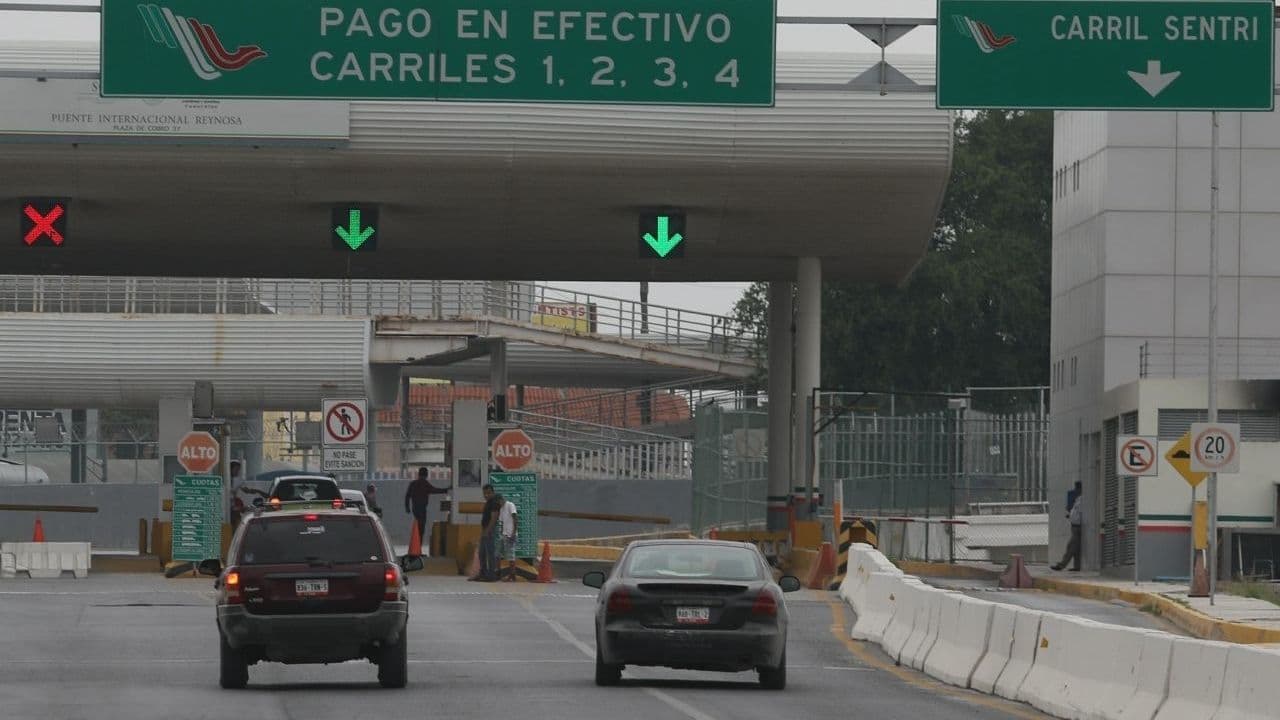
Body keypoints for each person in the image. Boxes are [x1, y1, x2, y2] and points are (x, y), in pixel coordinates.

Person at [403, 467, 449, 551]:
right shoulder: (425, 484)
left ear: (419, 474)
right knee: (421, 528)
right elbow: (435, 490)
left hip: (415, 509)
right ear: (426, 475)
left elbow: (407, 496)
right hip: (422, 509)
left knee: (418, 526)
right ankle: (418, 545)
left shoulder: (413, 484)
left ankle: (417, 544)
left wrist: (407, 508)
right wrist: (446, 490)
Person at [472, 484, 503, 582]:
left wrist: (487, 531)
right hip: (485, 529)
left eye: (488, 493)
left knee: (490, 553)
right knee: (482, 553)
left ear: (493, 492)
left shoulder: (494, 503)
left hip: (489, 530)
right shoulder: (488, 502)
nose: (486, 495)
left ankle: (491, 575)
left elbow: (494, 518)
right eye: (484, 493)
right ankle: (483, 573)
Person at [1053, 481, 1084, 571]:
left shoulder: (1082, 499)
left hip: (1078, 527)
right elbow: (1075, 512)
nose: (1076, 490)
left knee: (1071, 546)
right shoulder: (1078, 499)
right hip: (1074, 525)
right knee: (1076, 548)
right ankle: (1077, 566)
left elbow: (1081, 513)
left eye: (1078, 488)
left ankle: (1062, 565)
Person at [228, 460, 264, 526]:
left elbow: (247, 490)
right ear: (230, 468)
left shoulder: (238, 480)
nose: (237, 471)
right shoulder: (224, 478)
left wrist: (258, 491)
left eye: (238, 469)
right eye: (235, 469)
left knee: (237, 516)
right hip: (226, 504)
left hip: (233, 504)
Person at [498, 495, 519, 582]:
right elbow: (502, 522)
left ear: (502, 499)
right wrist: (501, 533)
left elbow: (515, 518)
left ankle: (512, 575)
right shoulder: (501, 509)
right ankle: (500, 574)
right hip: (504, 534)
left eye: (499, 501)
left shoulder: (510, 505)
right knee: (500, 554)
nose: (499, 503)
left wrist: (513, 533)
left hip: (511, 534)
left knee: (511, 556)